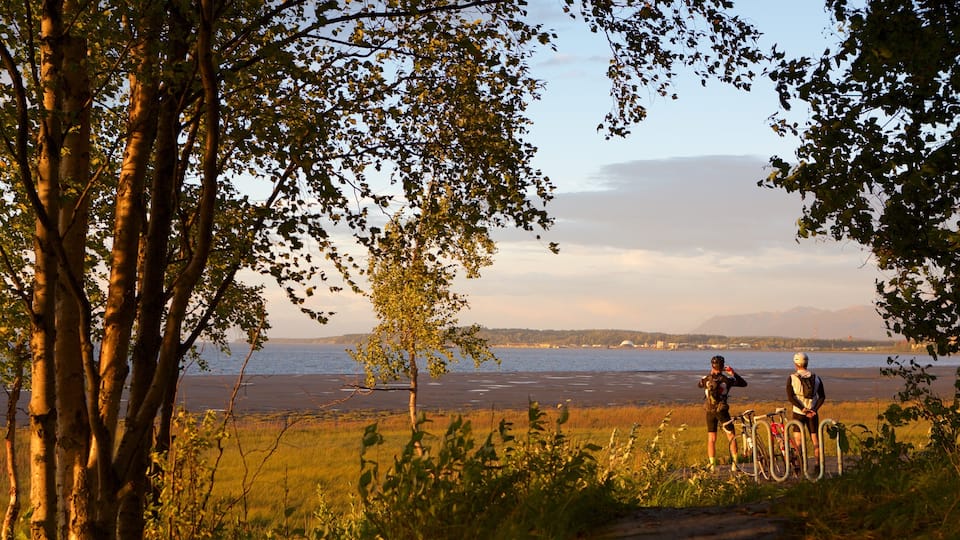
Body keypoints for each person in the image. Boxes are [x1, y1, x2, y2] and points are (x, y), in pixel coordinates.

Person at [697, 355, 747, 471]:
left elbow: (699, 385)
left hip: (710, 411)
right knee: (731, 436)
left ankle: (712, 465)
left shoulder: (705, 379)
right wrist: (732, 373)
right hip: (722, 411)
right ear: (723, 366)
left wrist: (710, 375)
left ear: (712, 365)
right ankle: (735, 464)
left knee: (711, 439)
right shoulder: (727, 380)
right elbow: (743, 383)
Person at [786, 352, 826, 469]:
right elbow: (822, 396)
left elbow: (790, 397)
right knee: (815, 440)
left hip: (798, 413)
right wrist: (814, 409)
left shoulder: (792, 378)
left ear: (795, 364)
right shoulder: (816, 378)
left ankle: (800, 465)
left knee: (798, 441)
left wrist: (802, 408)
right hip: (813, 413)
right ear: (807, 363)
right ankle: (818, 466)